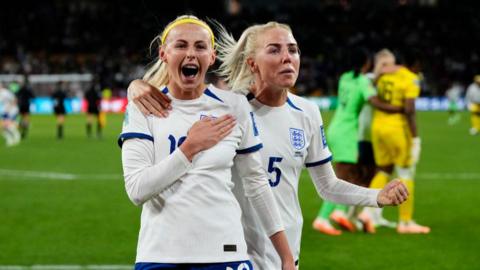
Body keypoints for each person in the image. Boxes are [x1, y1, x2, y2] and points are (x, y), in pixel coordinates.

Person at [127, 21, 409, 269]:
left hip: (285, 248)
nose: (287, 58)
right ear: (252, 63)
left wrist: (376, 197)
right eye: (274, 50)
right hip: (234, 249)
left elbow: (327, 186)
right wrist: (136, 85)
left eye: (293, 50)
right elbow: (183, 99)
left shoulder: (307, 113)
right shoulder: (230, 109)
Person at [119, 15, 296, 270]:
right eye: (181, 45)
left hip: (225, 252)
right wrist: (190, 148)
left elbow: (256, 182)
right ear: (164, 54)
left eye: (200, 47)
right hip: (160, 253)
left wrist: (286, 256)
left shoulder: (233, 106)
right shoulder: (143, 108)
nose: (191, 53)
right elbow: (137, 190)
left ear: (211, 57)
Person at [313, 48, 403, 235]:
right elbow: (375, 101)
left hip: (336, 126)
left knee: (348, 175)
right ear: (367, 63)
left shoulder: (345, 77)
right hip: (347, 132)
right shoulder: (362, 82)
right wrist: (396, 108)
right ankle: (323, 218)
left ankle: (340, 212)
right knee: (340, 178)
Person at [363, 49, 430, 234]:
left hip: (378, 128)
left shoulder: (386, 75)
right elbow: (409, 109)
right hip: (397, 130)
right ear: (416, 64)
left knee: (383, 169)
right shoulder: (410, 78)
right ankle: (405, 223)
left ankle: (368, 214)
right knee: (406, 173)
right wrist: (415, 137)